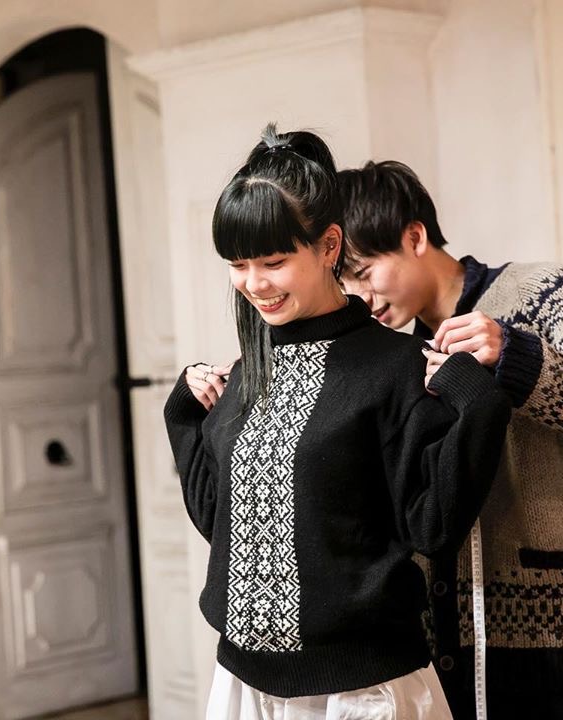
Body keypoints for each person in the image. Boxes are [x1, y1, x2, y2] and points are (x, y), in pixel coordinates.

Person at [162, 126, 513, 719]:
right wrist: (184, 412)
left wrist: (476, 399)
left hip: (364, 692)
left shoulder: (398, 367)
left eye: (273, 261)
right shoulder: (246, 374)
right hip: (244, 685)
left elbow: (432, 526)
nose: (254, 284)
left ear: (329, 246)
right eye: (238, 264)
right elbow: (218, 522)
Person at [338, 160, 563, 720]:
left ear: (414, 236)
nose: (360, 296)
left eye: (365, 272)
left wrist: (522, 360)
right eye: (345, 284)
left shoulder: (545, 292)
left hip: (558, 652)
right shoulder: (393, 356)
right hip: (435, 666)